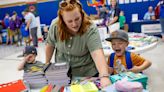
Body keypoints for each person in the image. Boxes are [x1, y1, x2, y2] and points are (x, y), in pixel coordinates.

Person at [45, 0, 111, 87]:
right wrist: (47, 64)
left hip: (86, 74)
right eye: (69, 21)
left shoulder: (90, 27)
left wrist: (104, 77)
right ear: (62, 20)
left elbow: (97, 53)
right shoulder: (55, 25)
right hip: (62, 73)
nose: (74, 24)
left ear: (82, 15)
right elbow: (50, 45)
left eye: (77, 19)